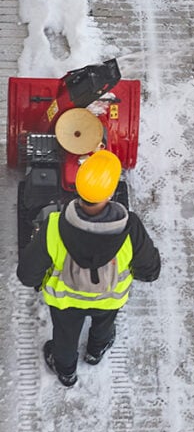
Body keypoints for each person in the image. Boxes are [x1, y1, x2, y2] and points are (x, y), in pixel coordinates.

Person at [17, 148, 161, 388]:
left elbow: (27, 274)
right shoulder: (131, 228)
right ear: (112, 191)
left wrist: (40, 281)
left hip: (65, 303)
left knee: (65, 336)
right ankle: (97, 349)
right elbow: (150, 271)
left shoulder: (54, 227)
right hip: (109, 299)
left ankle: (66, 371)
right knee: (104, 325)